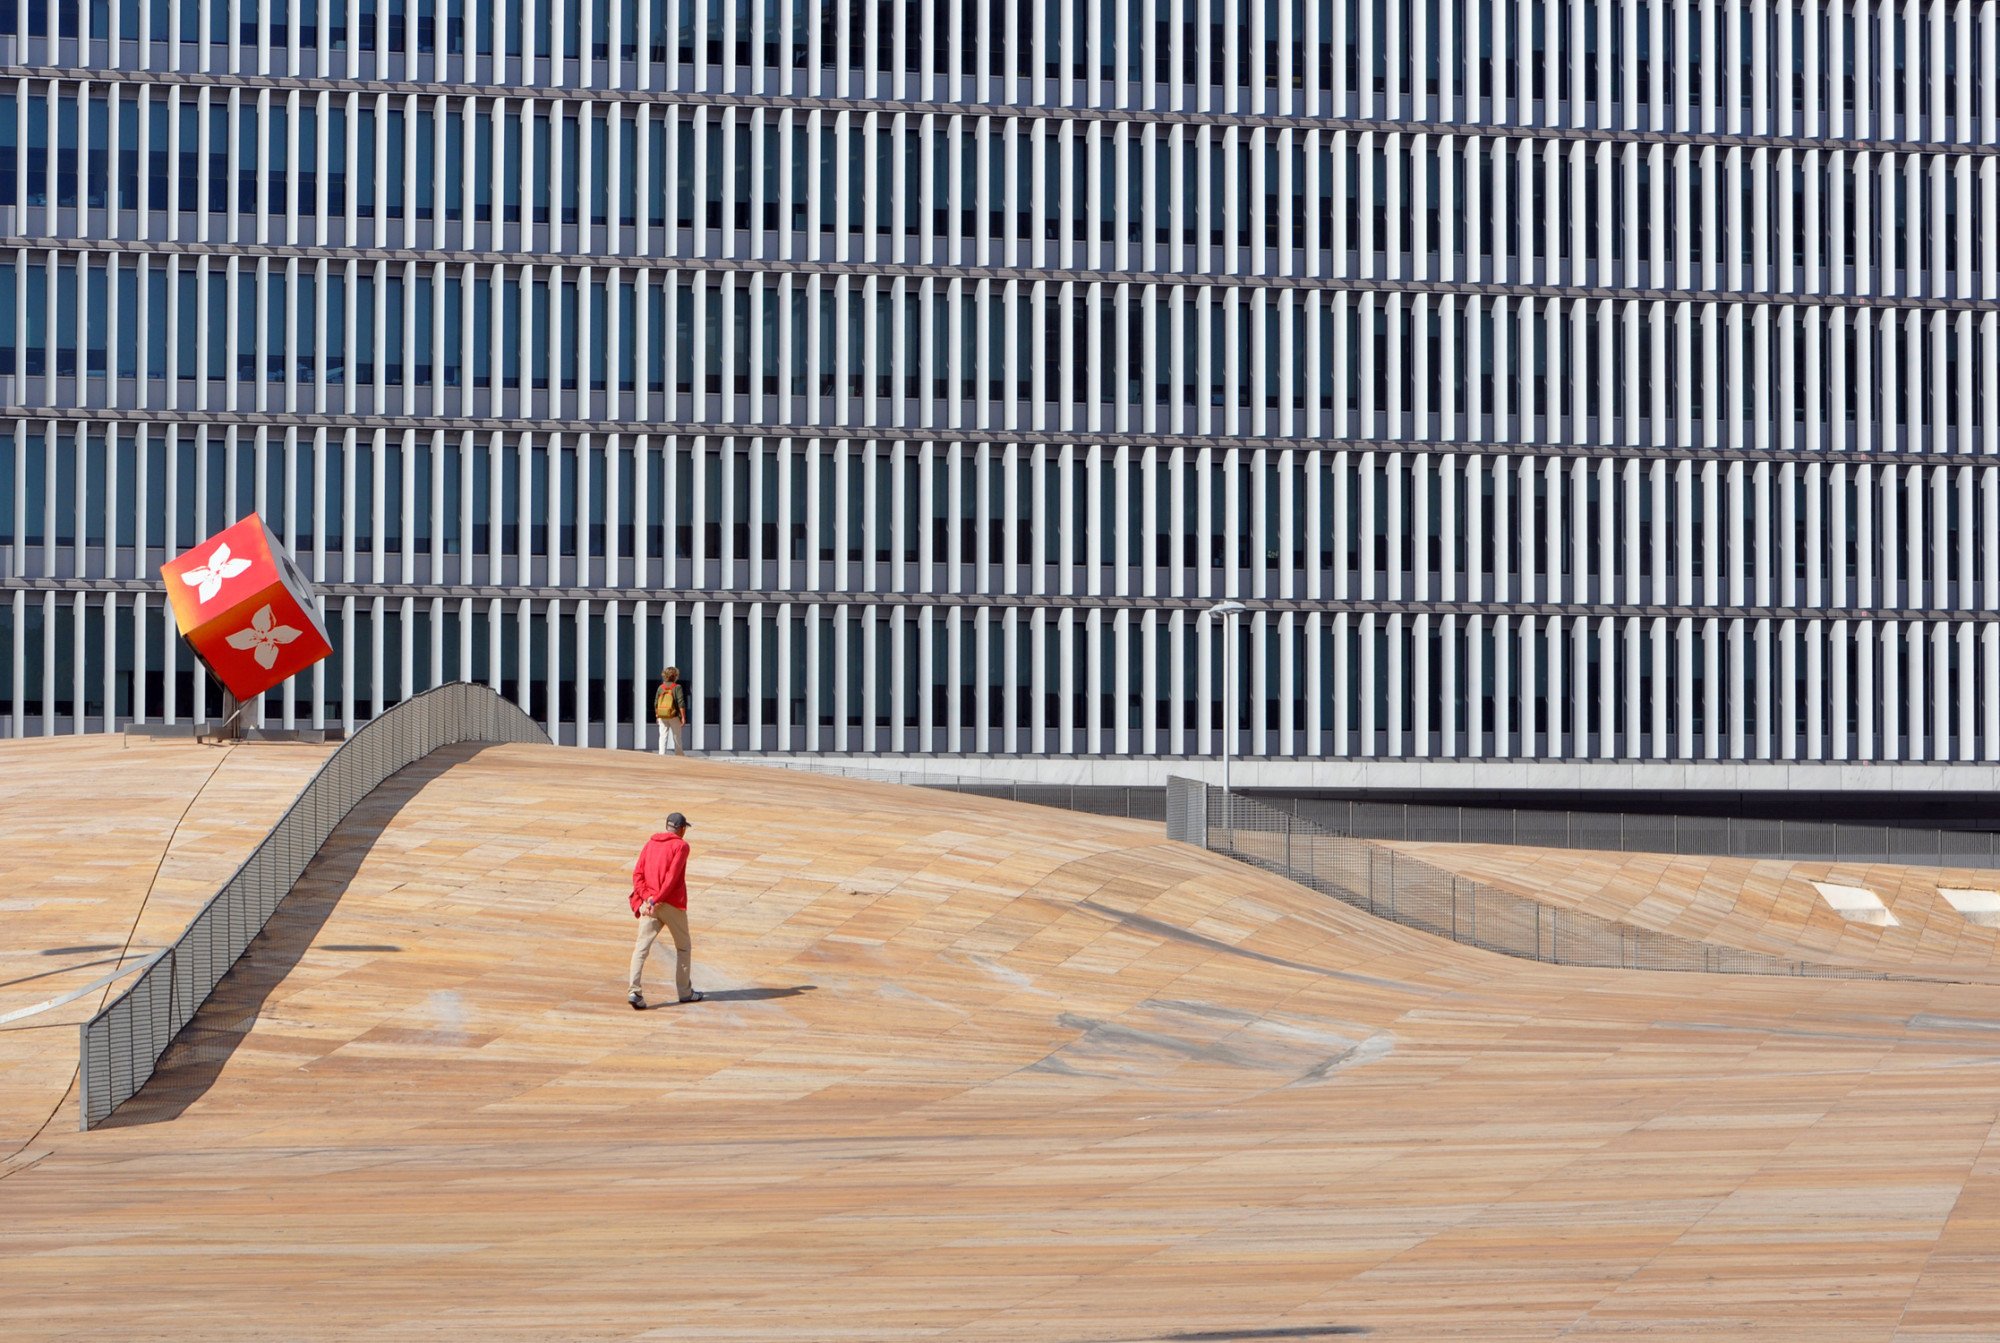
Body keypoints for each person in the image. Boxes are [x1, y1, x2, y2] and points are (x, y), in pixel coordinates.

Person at [627, 812, 703, 1008]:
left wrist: (647, 898)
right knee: (683, 947)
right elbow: (672, 878)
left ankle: (634, 991)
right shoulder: (681, 846)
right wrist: (657, 899)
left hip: (650, 903)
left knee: (641, 948)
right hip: (670, 904)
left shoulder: (650, 843)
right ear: (682, 829)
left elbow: (638, 873)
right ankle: (685, 992)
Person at [653, 666, 690, 756]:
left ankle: (661, 754)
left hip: (662, 715)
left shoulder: (660, 687)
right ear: (675, 676)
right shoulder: (677, 687)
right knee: (677, 736)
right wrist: (683, 717)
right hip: (674, 715)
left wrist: (657, 715)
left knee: (662, 736)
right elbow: (681, 703)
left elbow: (656, 703)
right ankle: (679, 755)